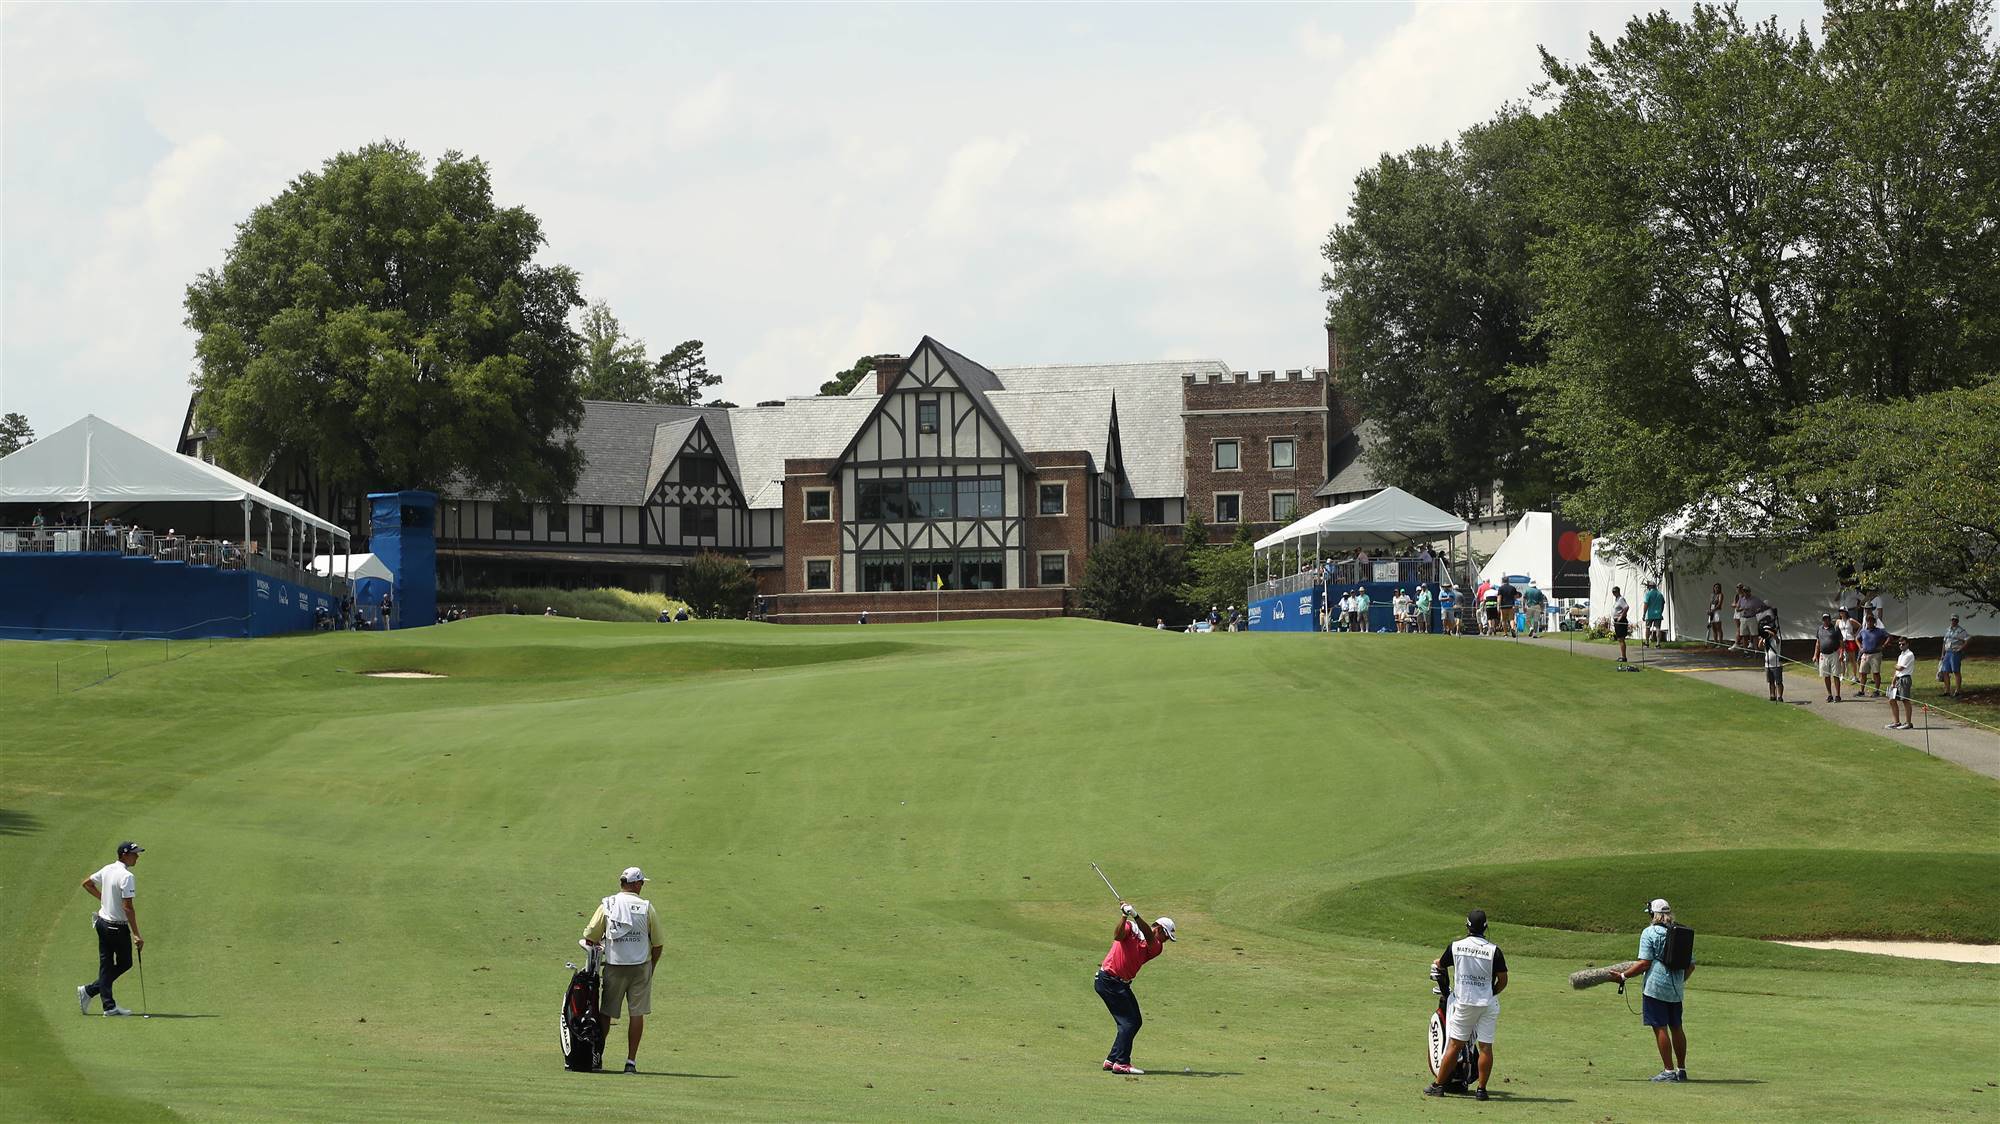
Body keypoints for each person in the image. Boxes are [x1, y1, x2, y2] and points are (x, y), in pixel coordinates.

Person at [581, 866, 666, 1074]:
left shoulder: (608, 904)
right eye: (642, 883)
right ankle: (631, 1062)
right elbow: (658, 944)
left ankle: (597, 1057)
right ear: (635, 884)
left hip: (615, 966)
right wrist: (651, 967)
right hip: (640, 967)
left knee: (606, 1013)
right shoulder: (646, 907)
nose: (642, 886)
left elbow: (590, 935)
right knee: (636, 1014)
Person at [1425, 909, 1507, 1100]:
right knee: (1486, 1047)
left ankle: (1438, 1086)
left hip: (1464, 1003)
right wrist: (1491, 992)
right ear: (1485, 927)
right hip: (1488, 1004)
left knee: (1454, 1045)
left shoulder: (1456, 946)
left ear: (1467, 926)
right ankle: (1481, 1090)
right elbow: (1503, 980)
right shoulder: (1494, 950)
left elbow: (1440, 964)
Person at [1613, 899, 1694, 1082]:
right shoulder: (1682, 933)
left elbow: (1644, 963)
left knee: (1660, 1027)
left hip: (1655, 988)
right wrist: (1680, 981)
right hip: (1676, 990)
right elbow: (1691, 966)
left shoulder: (1649, 932)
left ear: (1652, 914)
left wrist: (1623, 977)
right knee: (1677, 1027)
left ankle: (1668, 1071)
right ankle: (1681, 1070)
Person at [1094, 900, 1176, 1075]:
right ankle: (1122, 1063)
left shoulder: (1156, 946)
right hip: (1109, 980)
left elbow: (1149, 936)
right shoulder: (1131, 928)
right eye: (1166, 935)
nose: (1166, 940)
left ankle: (1112, 1059)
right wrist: (1124, 916)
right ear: (1160, 928)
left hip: (1119, 984)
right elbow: (1117, 936)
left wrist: (1135, 915)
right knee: (1129, 1023)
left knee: (1134, 1021)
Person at [77, 842, 146, 1016]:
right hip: (116, 927)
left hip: (101, 922)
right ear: (124, 855)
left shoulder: (108, 869)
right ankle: (90, 991)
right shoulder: (126, 876)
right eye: (134, 854)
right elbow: (128, 908)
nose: (137, 857)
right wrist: (136, 934)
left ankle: (108, 1005)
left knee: (106, 964)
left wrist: (103, 900)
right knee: (125, 963)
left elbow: (86, 883)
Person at [1857, 611, 1889, 698]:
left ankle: (1877, 690)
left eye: (1871, 621)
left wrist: (1883, 646)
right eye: (1868, 621)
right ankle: (1861, 690)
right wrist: (1860, 647)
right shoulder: (1863, 631)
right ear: (1866, 622)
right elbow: (1857, 639)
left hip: (1875, 654)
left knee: (1876, 673)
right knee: (1862, 672)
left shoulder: (1879, 631)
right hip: (1865, 654)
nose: (1870, 622)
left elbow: (1889, 637)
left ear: (1874, 622)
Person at [1887, 636, 1917, 730]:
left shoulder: (1909, 654)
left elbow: (1900, 668)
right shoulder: (1901, 655)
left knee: (1905, 700)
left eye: (1903, 644)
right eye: (1899, 644)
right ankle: (1896, 722)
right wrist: (1893, 682)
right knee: (1891, 699)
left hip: (1905, 679)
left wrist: (1895, 666)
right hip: (1898, 678)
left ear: (1907, 644)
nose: (1901, 646)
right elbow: (1897, 670)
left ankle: (1908, 723)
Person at [1815, 613, 1844, 704]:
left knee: (1835, 674)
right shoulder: (1819, 629)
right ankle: (1829, 695)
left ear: (1830, 619)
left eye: (1827, 619)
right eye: (1824, 619)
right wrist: (1815, 655)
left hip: (1834, 653)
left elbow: (1841, 642)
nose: (1825, 621)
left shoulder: (1835, 629)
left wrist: (1841, 653)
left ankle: (1838, 695)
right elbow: (1818, 643)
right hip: (1823, 655)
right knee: (1826, 675)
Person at [1941, 615, 1970, 698]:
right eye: (1952, 620)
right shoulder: (1948, 630)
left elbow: (1968, 639)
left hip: (1955, 652)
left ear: (1958, 621)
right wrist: (1942, 654)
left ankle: (1958, 690)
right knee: (1945, 671)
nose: (1953, 621)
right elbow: (1944, 642)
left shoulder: (1961, 631)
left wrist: (1961, 648)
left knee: (1956, 671)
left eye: (1955, 620)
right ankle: (1947, 691)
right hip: (1947, 652)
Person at [1836, 608, 1862, 687]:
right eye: (1840, 612)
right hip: (1842, 640)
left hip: (1850, 640)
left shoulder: (1850, 620)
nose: (1841, 613)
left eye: (1843, 612)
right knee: (1842, 658)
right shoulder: (1838, 621)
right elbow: (1836, 630)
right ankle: (1842, 675)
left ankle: (1854, 676)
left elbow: (1860, 626)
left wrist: (1855, 634)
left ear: (1846, 612)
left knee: (1852, 659)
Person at [1762, 627, 1786, 702]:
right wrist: (1762, 637)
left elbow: (1777, 639)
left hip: (1776, 665)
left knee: (1778, 682)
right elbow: (1759, 646)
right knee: (1771, 681)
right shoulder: (1765, 640)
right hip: (1768, 665)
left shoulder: (1776, 639)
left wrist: (1770, 633)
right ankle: (1772, 695)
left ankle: (1780, 696)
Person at [1641, 579, 1666, 648]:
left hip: (1650, 614)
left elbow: (1646, 604)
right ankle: (1658, 644)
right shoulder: (1660, 594)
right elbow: (1663, 603)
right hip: (1658, 614)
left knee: (1648, 628)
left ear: (1650, 587)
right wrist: (1661, 611)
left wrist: (1644, 614)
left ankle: (1647, 643)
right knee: (1658, 628)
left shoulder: (1648, 594)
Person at [1612, 586, 1631, 662]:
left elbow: (1626, 607)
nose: (1614, 593)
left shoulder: (1621, 599)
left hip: (1621, 621)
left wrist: (1621, 616)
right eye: (1613, 592)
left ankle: (1624, 657)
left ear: (1618, 591)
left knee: (1621, 639)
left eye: (1615, 592)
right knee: (1619, 639)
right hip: (1617, 621)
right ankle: (1622, 656)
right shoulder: (1616, 599)